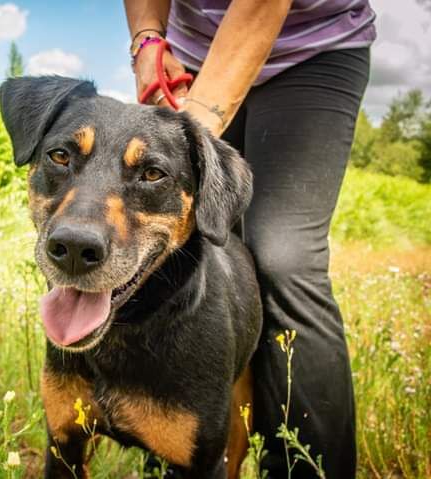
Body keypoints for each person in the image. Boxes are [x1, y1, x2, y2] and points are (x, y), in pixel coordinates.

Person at [124, 1, 376, 477]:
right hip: (190, 54)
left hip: (312, 50)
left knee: (284, 256)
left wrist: (192, 133)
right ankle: (184, 450)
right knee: (185, 253)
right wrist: (148, 40)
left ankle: (307, 467)